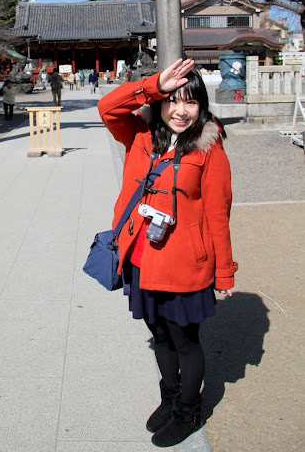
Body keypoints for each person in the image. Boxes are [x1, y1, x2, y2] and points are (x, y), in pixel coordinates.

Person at [97, 58, 237, 448]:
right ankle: (170, 396)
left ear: (201, 106)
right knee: (157, 332)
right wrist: (153, 83)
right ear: (160, 103)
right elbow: (107, 107)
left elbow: (218, 214)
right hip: (141, 256)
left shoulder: (209, 146)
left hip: (184, 265)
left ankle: (189, 410)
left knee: (184, 339)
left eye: (190, 102)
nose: (181, 110)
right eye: (173, 100)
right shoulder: (140, 135)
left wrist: (224, 273)